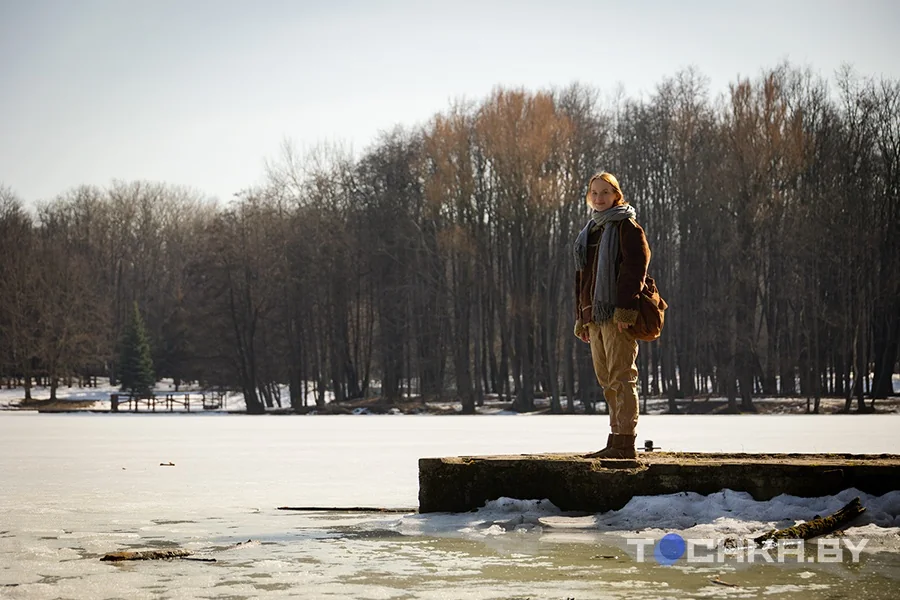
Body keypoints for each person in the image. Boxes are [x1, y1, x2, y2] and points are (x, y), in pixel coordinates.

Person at [573, 172, 650, 459]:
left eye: (605, 192)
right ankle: (614, 438)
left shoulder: (627, 227)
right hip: (594, 317)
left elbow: (635, 270)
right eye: (594, 192)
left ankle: (625, 443)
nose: (599, 197)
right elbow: (582, 279)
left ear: (616, 194)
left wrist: (625, 311)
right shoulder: (589, 231)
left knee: (622, 376)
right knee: (606, 378)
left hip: (618, 315)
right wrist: (582, 317)